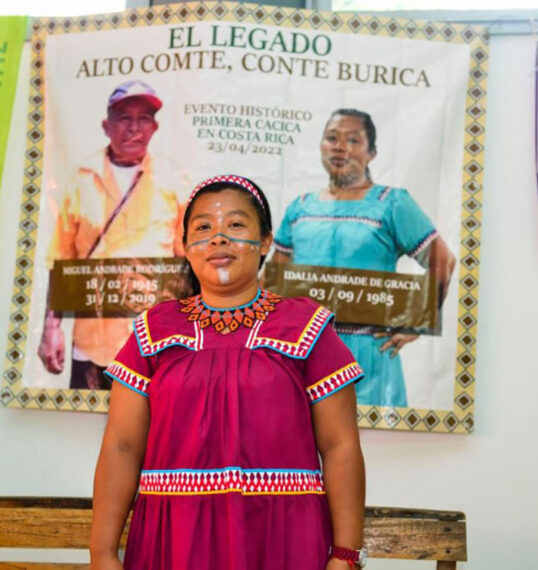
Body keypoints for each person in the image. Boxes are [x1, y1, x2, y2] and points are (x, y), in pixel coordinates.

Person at [90, 174, 368, 570]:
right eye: (203, 228)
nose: (218, 238)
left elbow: (340, 446)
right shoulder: (153, 330)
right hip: (173, 540)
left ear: (266, 241)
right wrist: (101, 553)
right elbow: (121, 446)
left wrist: (345, 556)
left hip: (282, 540)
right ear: (185, 246)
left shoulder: (307, 327)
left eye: (236, 225)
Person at [273, 109, 455, 408]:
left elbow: (442, 261)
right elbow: (278, 283)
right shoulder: (300, 208)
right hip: (303, 355)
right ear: (320, 145)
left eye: (353, 140)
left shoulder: (392, 204)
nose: (340, 147)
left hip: (369, 357)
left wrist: (416, 322)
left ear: (371, 153)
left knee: (372, 450)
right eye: (332, 138)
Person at [37, 80, 184, 390]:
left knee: (152, 435)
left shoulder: (174, 180)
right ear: (106, 126)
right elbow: (61, 260)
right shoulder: (82, 178)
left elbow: (189, 265)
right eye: (124, 118)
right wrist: (51, 329)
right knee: (83, 431)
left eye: (144, 118)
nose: (134, 128)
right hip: (93, 344)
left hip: (155, 346)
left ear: (155, 128)